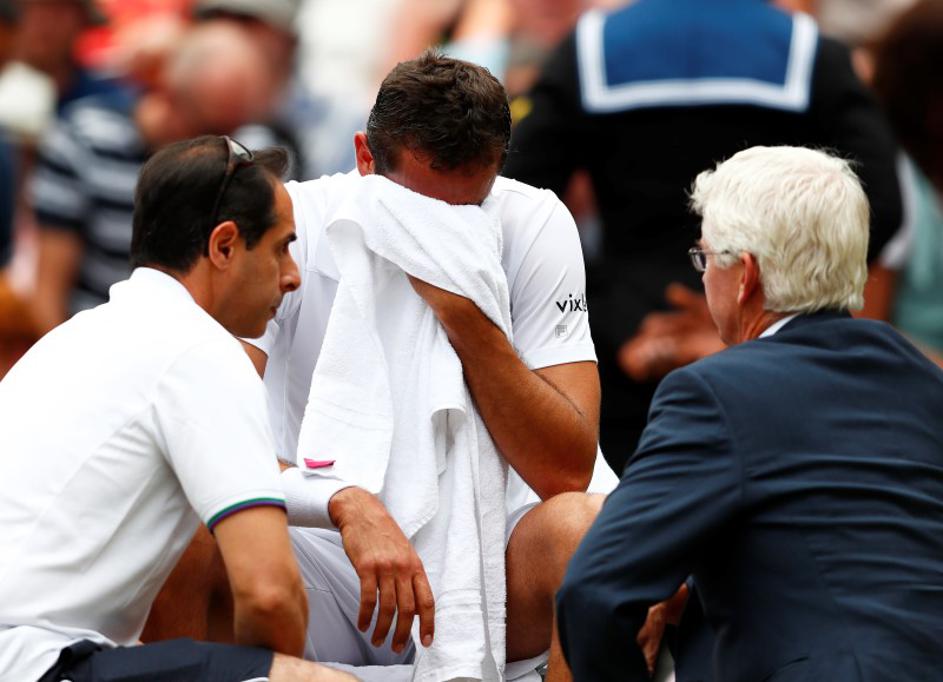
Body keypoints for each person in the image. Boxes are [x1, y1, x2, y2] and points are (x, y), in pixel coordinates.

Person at [244, 51, 616, 681]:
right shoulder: (293, 222)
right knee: (184, 523)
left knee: (591, 533)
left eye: (462, 212)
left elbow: (566, 469)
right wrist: (345, 502)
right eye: (416, 210)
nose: (438, 232)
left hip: (494, 567)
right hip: (322, 551)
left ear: (497, 170)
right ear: (365, 158)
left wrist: (464, 314)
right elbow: (214, 433)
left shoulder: (534, 221)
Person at [556, 146, 943, 682]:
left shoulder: (712, 392)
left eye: (705, 258)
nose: (702, 275)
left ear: (746, 276)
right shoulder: (924, 380)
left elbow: (593, 592)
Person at [0, 135, 357, 682]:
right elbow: (269, 593)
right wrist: (272, 667)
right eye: (282, 247)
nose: (293, 275)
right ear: (224, 246)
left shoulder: (76, 335)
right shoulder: (201, 350)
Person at [503, 0, 904, 473]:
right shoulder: (804, 50)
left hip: (624, 350)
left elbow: (515, 201)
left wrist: (602, 304)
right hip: (767, 352)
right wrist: (778, 304)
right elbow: (881, 204)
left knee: (627, 520)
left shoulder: (589, 49)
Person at [28, 21, 284, 335]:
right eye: (206, 127)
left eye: (231, 131)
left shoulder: (249, 153)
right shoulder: (85, 139)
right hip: (97, 338)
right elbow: (47, 291)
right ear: (166, 92)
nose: (220, 146)